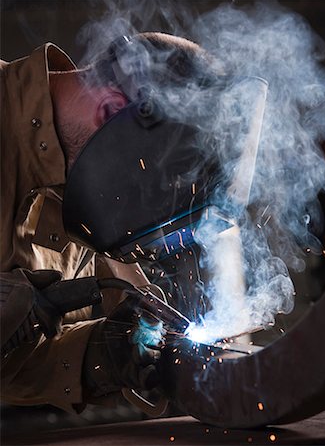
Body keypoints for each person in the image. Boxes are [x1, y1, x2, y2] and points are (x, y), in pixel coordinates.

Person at [0, 32, 210, 412]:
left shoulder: (74, 190)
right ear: (112, 111)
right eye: (136, 184)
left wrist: (102, 355)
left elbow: (10, 369)